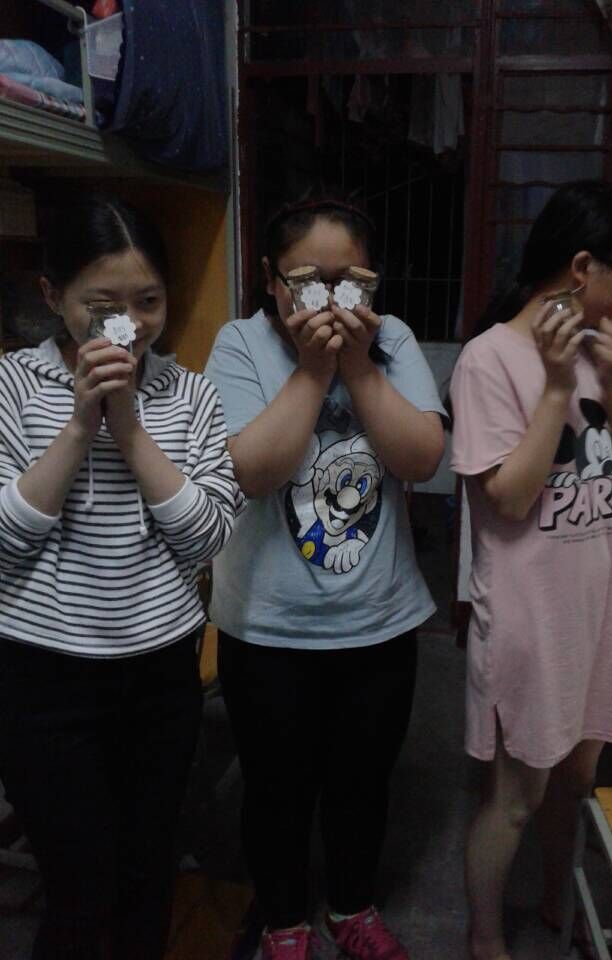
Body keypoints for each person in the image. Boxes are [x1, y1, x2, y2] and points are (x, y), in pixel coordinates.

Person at [0, 194, 242, 960]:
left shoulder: (192, 394)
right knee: (78, 888)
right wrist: (81, 425)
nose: (128, 326)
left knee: (148, 872)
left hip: (161, 675)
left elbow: (205, 538)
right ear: (52, 296)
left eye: (149, 303)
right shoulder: (11, 386)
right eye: (102, 307)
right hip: (41, 678)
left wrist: (130, 427)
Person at [204, 193, 446, 960]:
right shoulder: (240, 344)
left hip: (379, 619)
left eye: (352, 282)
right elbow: (253, 473)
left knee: (363, 784)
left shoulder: (392, 339)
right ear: (270, 279)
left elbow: (422, 460)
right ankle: (284, 921)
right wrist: (314, 370)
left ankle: (351, 906)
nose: (333, 300)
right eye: (309, 281)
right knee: (274, 789)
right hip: (267, 625)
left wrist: (357, 366)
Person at [449, 181, 612, 960]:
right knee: (516, 795)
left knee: (577, 776)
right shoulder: (488, 359)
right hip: (528, 617)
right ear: (581, 266)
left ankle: (551, 894)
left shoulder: (601, 350)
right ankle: (484, 935)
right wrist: (560, 388)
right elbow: (507, 498)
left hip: (593, 607)